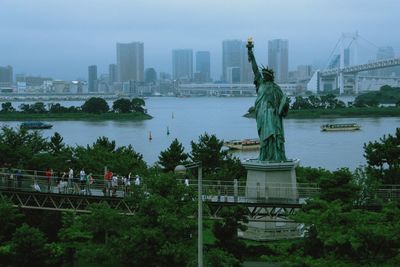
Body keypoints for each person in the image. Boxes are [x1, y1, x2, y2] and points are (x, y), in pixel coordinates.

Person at [247, 38, 289, 162]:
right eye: (263, 75)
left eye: (266, 75)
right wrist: (250, 52)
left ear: (270, 77)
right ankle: (264, 155)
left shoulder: (276, 88)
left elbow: (283, 104)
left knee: (274, 136)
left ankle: (275, 156)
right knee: (264, 136)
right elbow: (255, 68)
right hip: (261, 114)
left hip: (272, 114)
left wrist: (285, 104)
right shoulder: (260, 83)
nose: (264, 76)